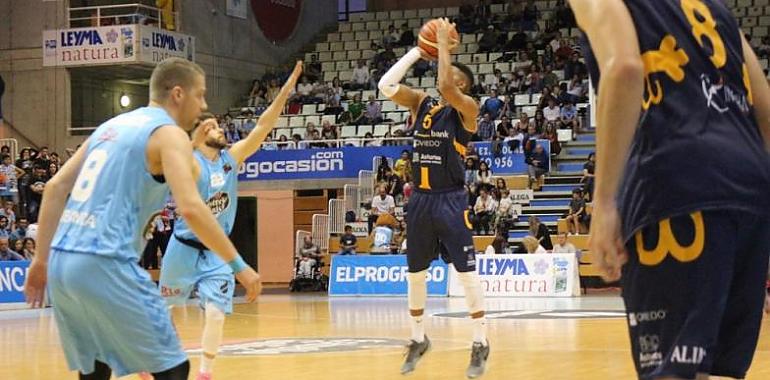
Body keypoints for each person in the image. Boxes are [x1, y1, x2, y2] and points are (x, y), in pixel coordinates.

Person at [22, 57, 262, 380]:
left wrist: (40, 262)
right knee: (174, 367)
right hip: (105, 260)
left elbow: (54, 187)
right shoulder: (168, 134)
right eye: (200, 94)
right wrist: (239, 266)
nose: (203, 104)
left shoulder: (110, 127)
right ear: (178, 93)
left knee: (96, 366)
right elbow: (190, 207)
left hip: (63, 264)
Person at [574, 0, 770, 379]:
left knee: (671, 372)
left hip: (675, 181)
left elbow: (625, 67)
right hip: (751, 186)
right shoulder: (715, 8)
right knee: (719, 371)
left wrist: (604, 202)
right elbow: (765, 110)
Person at [160, 61, 301, 380]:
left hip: (217, 252)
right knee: (169, 312)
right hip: (182, 248)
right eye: (212, 127)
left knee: (216, 314)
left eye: (219, 127)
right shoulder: (189, 162)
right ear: (198, 136)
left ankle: (205, 373)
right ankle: (156, 359)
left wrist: (286, 91)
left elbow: (263, 126)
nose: (220, 130)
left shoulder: (230, 159)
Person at [378, 17, 489, 378]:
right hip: (421, 199)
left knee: (467, 273)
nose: (447, 81)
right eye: (448, 73)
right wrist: (417, 50)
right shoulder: (422, 103)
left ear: (464, 87)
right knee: (415, 274)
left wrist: (442, 44)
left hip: (451, 199)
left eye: (456, 79)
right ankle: (417, 338)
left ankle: (480, 342)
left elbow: (445, 83)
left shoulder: (468, 110)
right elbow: (385, 85)